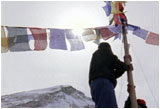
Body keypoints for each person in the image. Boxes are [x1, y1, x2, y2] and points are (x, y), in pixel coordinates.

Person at [89, 42, 133, 108]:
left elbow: (113, 75)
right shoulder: (105, 52)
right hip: (104, 83)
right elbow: (117, 64)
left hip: (95, 85)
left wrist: (125, 66)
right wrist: (127, 66)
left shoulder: (97, 58)